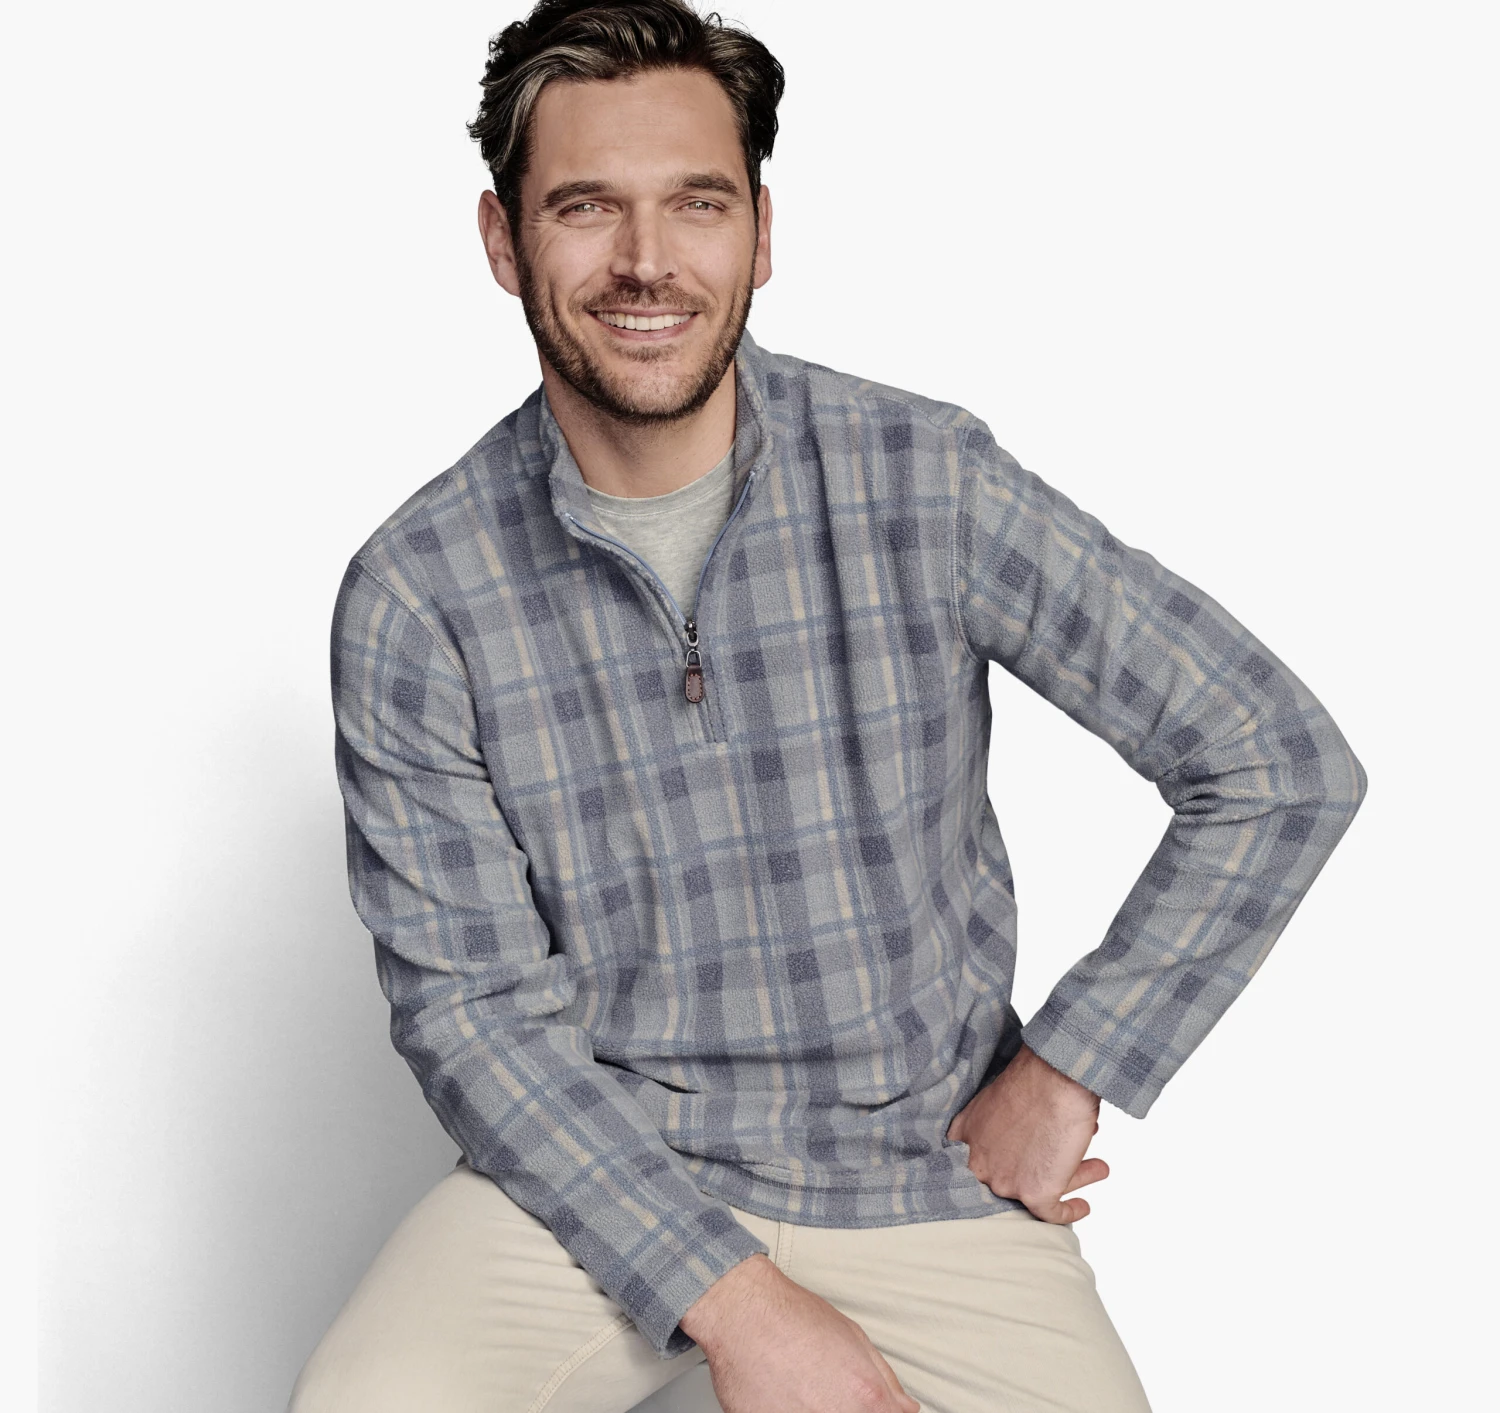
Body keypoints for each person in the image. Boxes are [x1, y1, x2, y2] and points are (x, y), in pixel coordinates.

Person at [289, 2, 1366, 1410]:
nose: (646, 261)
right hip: (595, 1178)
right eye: (586, 207)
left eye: (698, 203)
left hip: (923, 1172)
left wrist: (1073, 1064)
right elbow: (474, 1014)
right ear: (502, 241)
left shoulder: (925, 478)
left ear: (762, 233)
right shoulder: (417, 590)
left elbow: (1276, 760)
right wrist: (742, 1306)